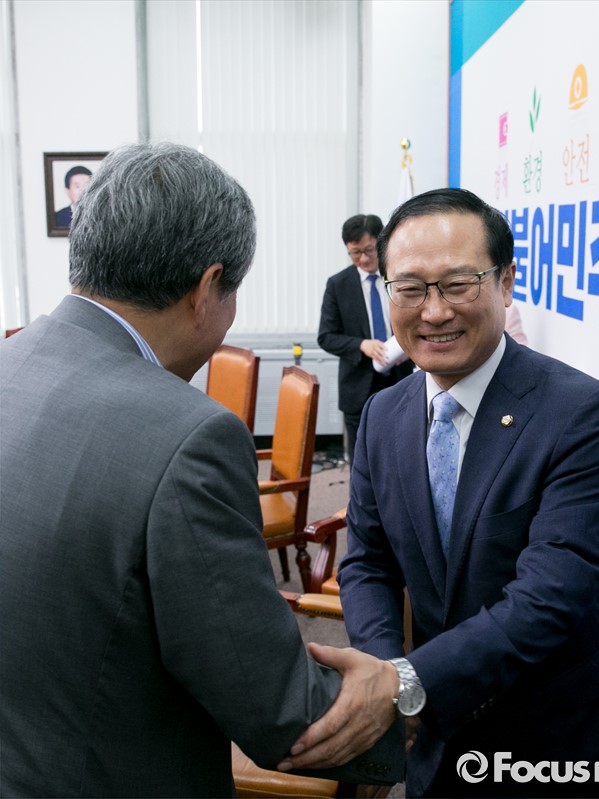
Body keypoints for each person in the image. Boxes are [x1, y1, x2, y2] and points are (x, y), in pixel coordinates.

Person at [0, 142, 404, 798]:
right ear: (208, 286)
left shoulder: (12, 362)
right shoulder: (186, 436)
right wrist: (406, 695)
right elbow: (283, 712)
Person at [290, 188, 599, 797]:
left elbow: (550, 595)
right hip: (441, 736)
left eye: (458, 284)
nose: (434, 311)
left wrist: (405, 685)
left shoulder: (583, 413)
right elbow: (369, 561)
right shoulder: (384, 414)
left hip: (562, 739)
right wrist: (385, 672)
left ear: (506, 281)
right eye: (410, 288)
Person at [318, 214, 413, 465]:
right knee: (362, 460)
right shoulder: (338, 285)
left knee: (401, 454)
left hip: (400, 378)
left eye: (369, 250)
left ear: (381, 243)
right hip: (358, 385)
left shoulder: (401, 276)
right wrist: (362, 344)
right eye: (355, 253)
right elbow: (326, 336)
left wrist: (409, 346)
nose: (363, 259)